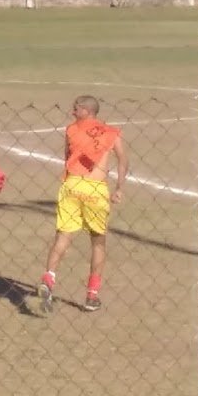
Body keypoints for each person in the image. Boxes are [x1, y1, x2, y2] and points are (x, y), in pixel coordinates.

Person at [36, 95, 130, 315]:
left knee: (63, 237)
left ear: (87, 111)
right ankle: (92, 295)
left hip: (71, 186)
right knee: (98, 243)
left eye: (76, 109)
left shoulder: (71, 130)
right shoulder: (111, 133)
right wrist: (119, 188)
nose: (72, 112)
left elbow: (67, 157)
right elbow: (123, 159)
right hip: (95, 189)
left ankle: (49, 279)